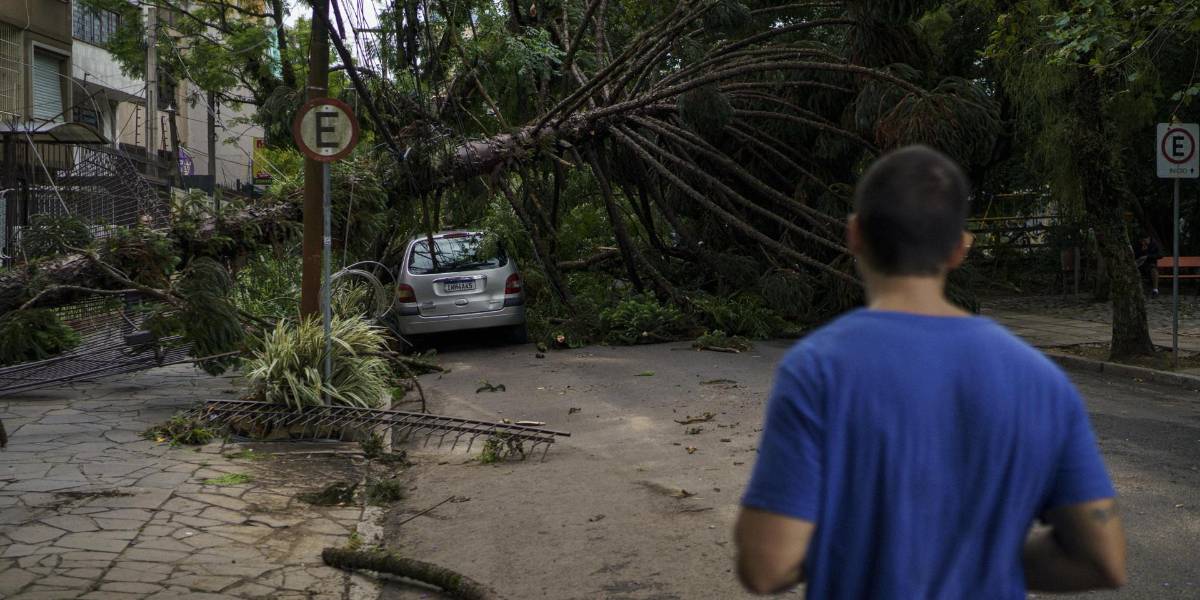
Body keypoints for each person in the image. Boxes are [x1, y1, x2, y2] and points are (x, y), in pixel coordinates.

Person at [734, 146, 1126, 598]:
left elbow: (767, 566)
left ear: (855, 234)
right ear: (960, 248)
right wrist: (987, 558)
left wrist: (861, 549)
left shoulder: (816, 370)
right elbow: (1102, 559)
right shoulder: (1042, 381)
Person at [1134, 233, 1161, 299]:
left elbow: (1160, 255)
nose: (1143, 242)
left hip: (1150, 264)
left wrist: (1147, 256)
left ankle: (1155, 290)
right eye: (1141, 241)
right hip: (1139, 265)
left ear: (1148, 238)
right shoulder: (1138, 244)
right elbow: (1134, 255)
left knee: (1154, 270)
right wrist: (1142, 251)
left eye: (1144, 240)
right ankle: (1137, 291)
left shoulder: (1154, 244)